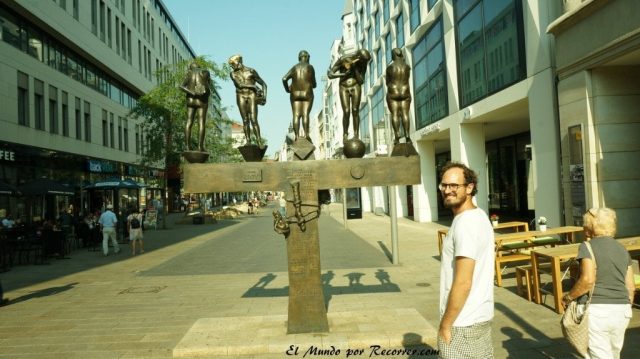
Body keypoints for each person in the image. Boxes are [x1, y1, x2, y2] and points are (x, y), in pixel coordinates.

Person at [438, 162, 494, 358]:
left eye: (454, 186)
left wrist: (446, 324)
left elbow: (463, 282)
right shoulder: (478, 216)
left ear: (469, 188)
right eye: (444, 185)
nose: (447, 190)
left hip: (463, 322)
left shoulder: (466, 224)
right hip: (479, 315)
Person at [562, 207, 634, 358]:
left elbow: (587, 280)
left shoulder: (587, 247)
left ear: (591, 227)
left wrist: (568, 297)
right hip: (622, 311)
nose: (583, 228)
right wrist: (625, 306)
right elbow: (630, 287)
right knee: (614, 353)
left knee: (600, 354)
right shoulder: (622, 249)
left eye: (585, 224)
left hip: (598, 311)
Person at [327, 49, 371, 142]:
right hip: (344, 87)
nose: (365, 63)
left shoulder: (363, 62)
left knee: (355, 110)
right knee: (346, 111)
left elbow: (361, 80)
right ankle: (345, 134)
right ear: (359, 57)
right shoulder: (343, 59)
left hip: (355, 86)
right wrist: (343, 74)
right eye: (364, 61)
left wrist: (355, 69)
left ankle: (356, 134)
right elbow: (330, 74)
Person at [228, 54, 267, 147]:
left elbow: (264, 84)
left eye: (233, 64)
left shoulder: (251, 71)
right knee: (245, 120)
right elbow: (240, 85)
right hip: (240, 95)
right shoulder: (233, 73)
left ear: (238, 61)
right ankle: (248, 141)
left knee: (254, 120)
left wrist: (264, 97)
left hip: (251, 95)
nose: (232, 66)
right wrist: (254, 86)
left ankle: (259, 141)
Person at [282, 50, 316, 142]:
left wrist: (287, 89)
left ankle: (296, 136)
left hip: (295, 94)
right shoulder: (310, 67)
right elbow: (314, 84)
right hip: (307, 94)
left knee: (296, 115)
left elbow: (284, 78)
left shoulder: (294, 68)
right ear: (307, 57)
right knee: (305, 114)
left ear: (299, 58)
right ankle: (306, 135)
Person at [181, 61, 211, 152]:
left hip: (190, 100)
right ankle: (200, 147)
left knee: (189, 121)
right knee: (201, 123)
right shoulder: (205, 71)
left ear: (191, 68)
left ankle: (187, 146)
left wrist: (192, 93)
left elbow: (181, 86)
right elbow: (207, 85)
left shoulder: (189, 74)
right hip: (201, 100)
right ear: (198, 66)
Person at [385, 48, 412, 145]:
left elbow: (387, 82)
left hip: (393, 92)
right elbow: (407, 78)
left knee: (395, 114)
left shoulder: (390, 68)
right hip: (405, 91)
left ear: (394, 55)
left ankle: (397, 135)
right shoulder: (407, 67)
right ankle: (407, 135)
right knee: (405, 114)